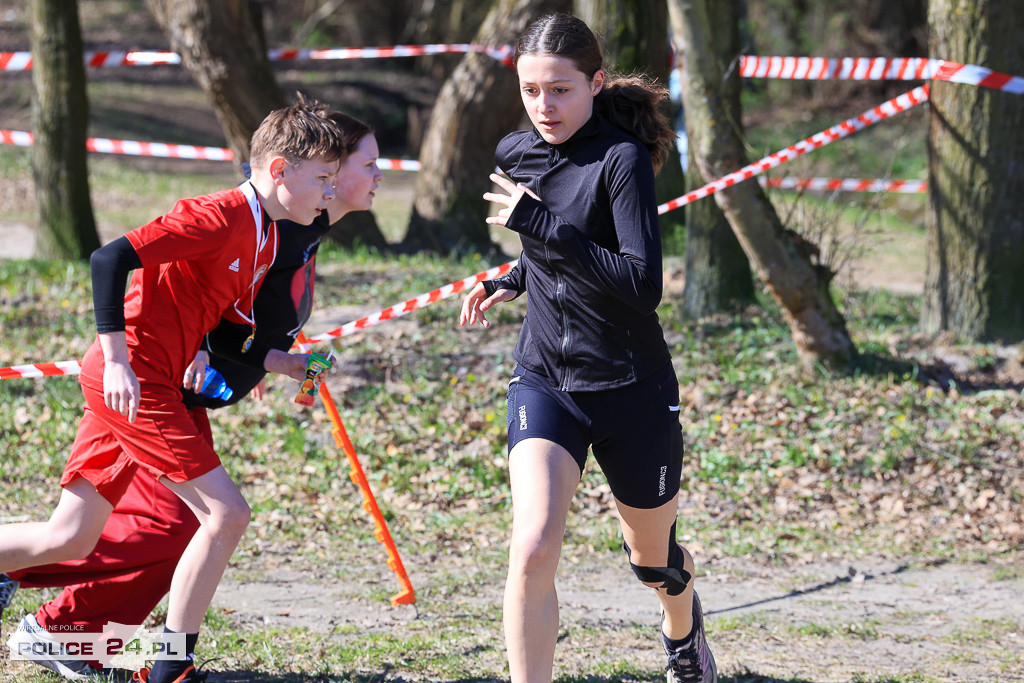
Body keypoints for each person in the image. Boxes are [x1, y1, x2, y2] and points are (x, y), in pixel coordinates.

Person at [0, 111, 383, 681]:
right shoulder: (219, 216)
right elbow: (109, 259)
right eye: (324, 179)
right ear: (280, 171)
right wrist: (121, 363)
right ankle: (169, 669)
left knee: (70, 535)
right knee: (226, 514)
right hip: (136, 379)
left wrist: (285, 362)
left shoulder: (263, 233)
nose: (330, 194)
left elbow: (227, 331)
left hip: (146, 378)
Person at [458, 14, 717, 683]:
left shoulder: (621, 161)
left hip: (631, 387)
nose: (545, 106)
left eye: (562, 90)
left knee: (651, 561)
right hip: (545, 378)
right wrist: (511, 277)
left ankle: (684, 634)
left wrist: (537, 223)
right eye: (532, 90)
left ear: (596, 83)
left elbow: (641, 284)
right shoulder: (517, 155)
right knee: (534, 544)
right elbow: (549, 252)